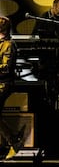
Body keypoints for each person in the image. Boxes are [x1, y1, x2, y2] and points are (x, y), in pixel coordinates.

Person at [0, 16, 24, 159]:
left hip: (3, 84)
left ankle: (13, 139)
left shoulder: (8, 45)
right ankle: (12, 140)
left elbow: (5, 68)